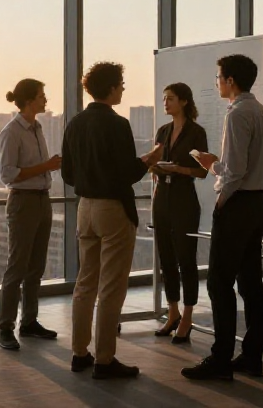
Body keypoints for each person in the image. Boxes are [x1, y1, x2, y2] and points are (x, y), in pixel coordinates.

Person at [182, 54, 263, 381]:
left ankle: (220, 359)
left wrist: (213, 168)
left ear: (231, 81)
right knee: (251, 282)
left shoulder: (238, 115)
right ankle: (252, 356)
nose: (217, 82)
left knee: (219, 283)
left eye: (218, 77)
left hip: (237, 204)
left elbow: (234, 170)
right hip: (258, 204)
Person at [63, 62, 162, 379]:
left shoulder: (75, 124)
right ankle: (104, 360)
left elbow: (67, 173)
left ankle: (80, 353)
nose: (122, 89)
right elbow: (127, 173)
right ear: (110, 88)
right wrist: (148, 160)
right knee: (111, 287)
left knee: (85, 284)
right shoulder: (118, 125)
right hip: (113, 210)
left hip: (85, 208)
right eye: (120, 84)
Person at [0, 78, 61, 351]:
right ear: (30, 99)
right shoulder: (12, 132)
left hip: (42, 200)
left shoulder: (37, 128)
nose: (45, 100)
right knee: (18, 266)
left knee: (36, 267)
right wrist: (46, 166)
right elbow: (7, 174)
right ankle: (5, 329)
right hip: (23, 202)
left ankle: (29, 322)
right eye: (42, 95)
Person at [151, 82, 208, 344]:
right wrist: (159, 168)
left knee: (186, 258)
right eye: (164, 99)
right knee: (166, 257)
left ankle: (187, 315)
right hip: (162, 196)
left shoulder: (196, 132)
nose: (166, 103)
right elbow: (153, 163)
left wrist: (179, 170)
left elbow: (203, 171)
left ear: (184, 101)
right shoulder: (162, 131)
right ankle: (171, 311)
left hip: (185, 197)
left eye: (170, 98)